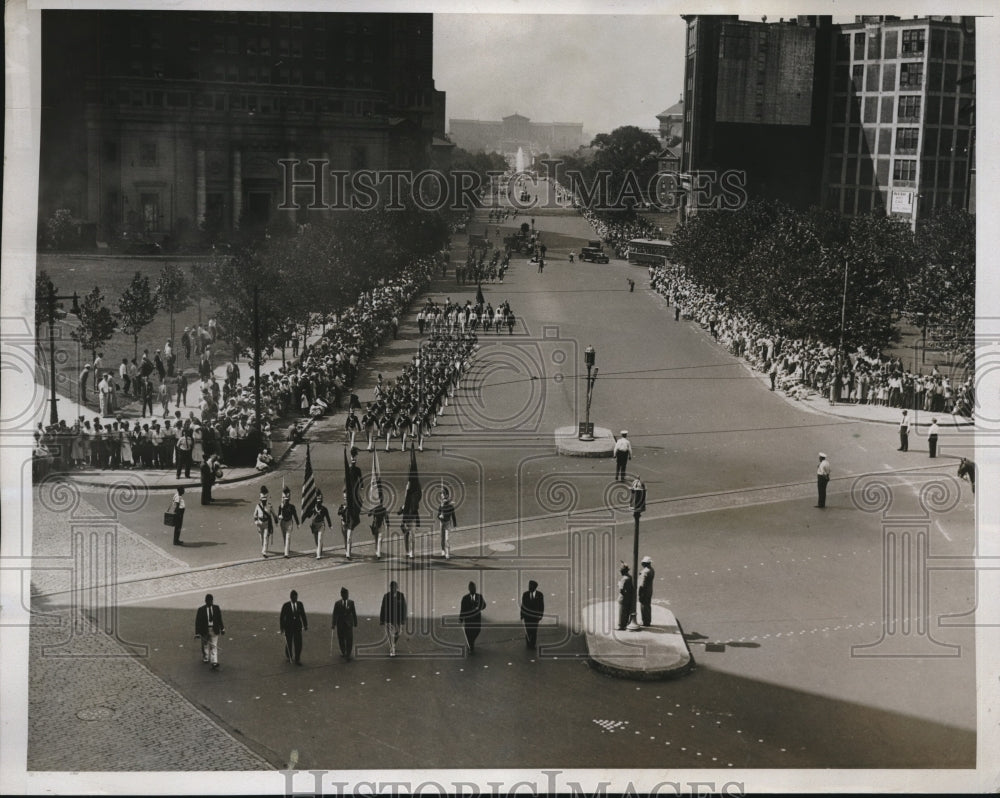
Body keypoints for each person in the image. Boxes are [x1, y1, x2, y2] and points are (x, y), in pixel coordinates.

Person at [194, 593, 225, 670]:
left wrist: (222, 628)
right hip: (205, 630)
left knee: (213, 646)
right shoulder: (201, 610)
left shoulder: (216, 608)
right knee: (205, 644)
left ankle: (214, 662)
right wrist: (197, 633)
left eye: (211, 601)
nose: (210, 602)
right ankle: (206, 656)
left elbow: (219, 619)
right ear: (206, 601)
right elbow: (198, 622)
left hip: (214, 629)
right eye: (208, 601)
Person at [279, 589, 308, 665]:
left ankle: (297, 659)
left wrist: (305, 625)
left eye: (296, 598)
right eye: (294, 598)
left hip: (297, 627)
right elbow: (282, 617)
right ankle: (289, 656)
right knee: (289, 642)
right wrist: (282, 628)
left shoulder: (300, 604)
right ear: (291, 598)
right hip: (288, 627)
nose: (295, 599)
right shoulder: (286, 605)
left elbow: (303, 615)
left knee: (298, 643)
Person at [379, 581, 407, 657]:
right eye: (391, 587)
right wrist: (381, 619)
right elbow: (383, 608)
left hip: (398, 619)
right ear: (390, 587)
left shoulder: (401, 596)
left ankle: (393, 644)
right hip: (388, 619)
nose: (393, 588)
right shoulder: (386, 596)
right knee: (390, 634)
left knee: (399, 633)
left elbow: (404, 608)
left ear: (397, 587)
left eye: (394, 587)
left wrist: (404, 619)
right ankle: (392, 648)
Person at [303, 492, 333, 559]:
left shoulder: (324, 509)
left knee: (319, 539)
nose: (319, 500)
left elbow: (328, 517)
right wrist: (306, 512)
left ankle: (318, 555)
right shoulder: (313, 508)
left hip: (321, 525)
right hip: (314, 525)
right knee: (317, 541)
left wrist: (330, 525)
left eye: (320, 498)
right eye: (317, 498)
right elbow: (308, 516)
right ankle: (320, 550)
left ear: (322, 499)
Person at [331, 587, 358, 660]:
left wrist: (355, 622)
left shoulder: (351, 603)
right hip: (340, 624)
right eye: (345, 594)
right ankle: (343, 652)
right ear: (341, 595)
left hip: (349, 624)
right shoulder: (337, 603)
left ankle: (348, 654)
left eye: (347, 594)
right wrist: (333, 624)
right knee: (341, 639)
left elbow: (354, 613)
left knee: (349, 639)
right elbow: (335, 614)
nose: (346, 596)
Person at [459, 581, 486, 654]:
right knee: (468, 633)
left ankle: (471, 642)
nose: (473, 590)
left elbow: (484, 605)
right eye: (471, 588)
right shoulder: (465, 598)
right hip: (468, 619)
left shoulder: (479, 597)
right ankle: (471, 646)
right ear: (469, 589)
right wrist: (461, 619)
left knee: (477, 630)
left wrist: (479, 606)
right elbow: (462, 609)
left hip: (476, 619)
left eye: (474, 588)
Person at [519, 580, 545, 649]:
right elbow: (523, 606)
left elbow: (541, 605)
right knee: (528, 630)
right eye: (529, 586)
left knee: (534, 631)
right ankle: (528, 644)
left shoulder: (540, 595)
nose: (530, 587)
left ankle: (532, 644)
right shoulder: (525, 594)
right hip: (527, 616)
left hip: (535, 617)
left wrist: (541, 615)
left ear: (535, 587)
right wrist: (521, 615)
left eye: (531, 586)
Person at [253, 486, 277, 558]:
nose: (263, 501)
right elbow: (254, 515)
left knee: (266, 537)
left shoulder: (269, 506)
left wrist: (276, 521)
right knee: (262, 538)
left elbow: (274, 514)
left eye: (264, 500)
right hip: (260, 523)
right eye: (262, 500)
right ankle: (263, 547)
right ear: (260, 499)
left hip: (266, 523)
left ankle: (264, 552)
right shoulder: (258, 506)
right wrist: (256, 521)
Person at [277, 486, 300, 559]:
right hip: (283, 523)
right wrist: (279, 517)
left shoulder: (292, 507)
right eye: (284, 499)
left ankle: (286, 553)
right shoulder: (281, 506)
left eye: (287, 499)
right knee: (285, 537)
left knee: (288, 537)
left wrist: (298, 523)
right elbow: (278, 516)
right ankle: (287, 549)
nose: (286, 501)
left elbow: (295, 515)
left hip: (289, 523)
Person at [437, 487, 457, 560]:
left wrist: (455, 524)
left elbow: (453, 515)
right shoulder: (441, 505)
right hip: (442, 523)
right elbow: (438, 515)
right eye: (441, 494)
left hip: (448, 523)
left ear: (447, 495)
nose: (442, 495)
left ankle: (447, 553)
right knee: (442, 538)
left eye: (443, 493)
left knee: (447, 539)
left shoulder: (450, 505)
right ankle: (443, 550)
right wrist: (440, 516)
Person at [637, 556, 655, 627]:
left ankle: (645, 621)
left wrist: (639, 593)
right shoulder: (652, 570)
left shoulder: (645, 572)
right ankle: (648, 620)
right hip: (649, 590)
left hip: (644, 592)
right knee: (648, 606)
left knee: (643, 606)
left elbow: (642, 584)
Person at [617, 563, 634, 631]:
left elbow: (621, 589)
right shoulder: (630, 577)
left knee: (622, 612)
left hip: (623, 598)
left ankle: (621, 626)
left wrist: (619, 584)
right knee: (626, 612)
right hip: (628, 597)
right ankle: (625, 624)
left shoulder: (624, 579)